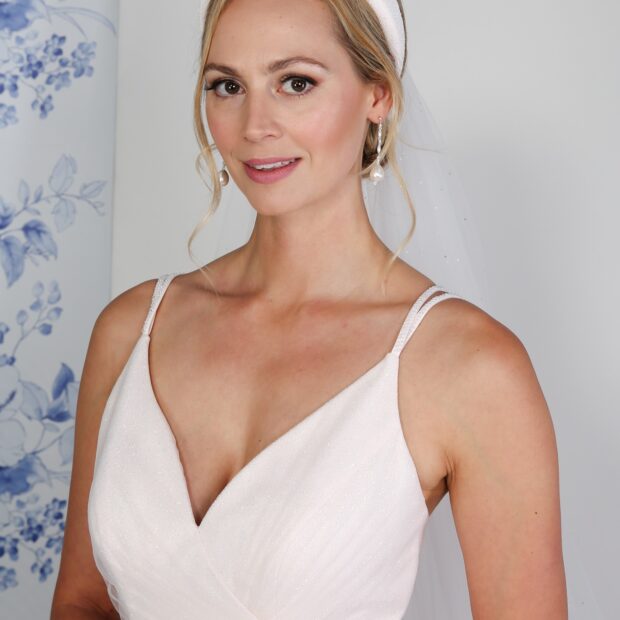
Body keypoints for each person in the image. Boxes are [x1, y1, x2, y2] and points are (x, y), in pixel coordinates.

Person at [51, 0, 567, 618]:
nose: (254, 125)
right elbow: (82, 602)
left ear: (378, 94)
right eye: (227, 86)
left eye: (296, 83)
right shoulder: (132, 328)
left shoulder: (470, 366)